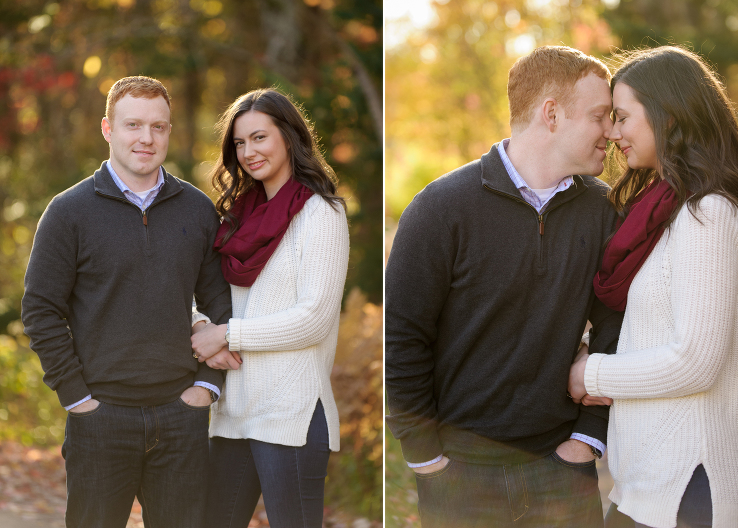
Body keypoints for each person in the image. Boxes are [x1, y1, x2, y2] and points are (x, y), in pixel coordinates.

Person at [385, 46, 624, 527]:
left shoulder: (602, 212)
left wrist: (587, 440)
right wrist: (426, 458)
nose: (612, 133)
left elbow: (618, 327)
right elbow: (402, 338)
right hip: (461, 478)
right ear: (551, 114)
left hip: (562, 470)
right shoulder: (441, 208)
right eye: (601, 116)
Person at [21, 76, 232, 528]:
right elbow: (40, 309)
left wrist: (206, 386)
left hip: (181, 416)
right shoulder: (68, 211)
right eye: (133, 124)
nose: (146, 138)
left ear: (169, 131)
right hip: (100, 418)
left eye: (158, 127)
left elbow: (221, 302)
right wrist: (76, 397)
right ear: (107, 129)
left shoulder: (197, 210)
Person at [568, 46, 738, 528]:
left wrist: (589, 375)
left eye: (622, 117)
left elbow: (696, 361)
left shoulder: (708, 214)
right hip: (650, 483)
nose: (612, 133)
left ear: (668, 117)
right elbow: (651, 329)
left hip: (689, 485)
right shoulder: (665, 212)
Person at [188, 88, 349, 528]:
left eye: (259, 137)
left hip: (291, 415)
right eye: (239, 143)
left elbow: (313, 319)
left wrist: (226, 335)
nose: (248, 152)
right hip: (233, 411)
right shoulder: (236, 218)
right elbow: (198, 291)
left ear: (289, 136)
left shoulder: (321, 214)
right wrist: (203, 326)